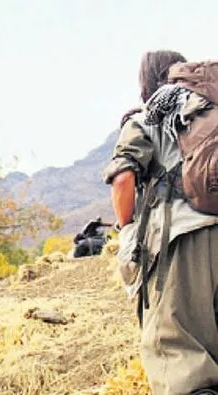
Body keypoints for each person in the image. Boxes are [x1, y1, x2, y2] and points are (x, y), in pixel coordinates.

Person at [104, 50, 218, 394]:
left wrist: (125, 228)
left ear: (145, 83)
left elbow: (123, 178)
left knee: (180, 360)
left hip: (181, 244)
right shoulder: (209, 112)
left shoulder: (148, 117)